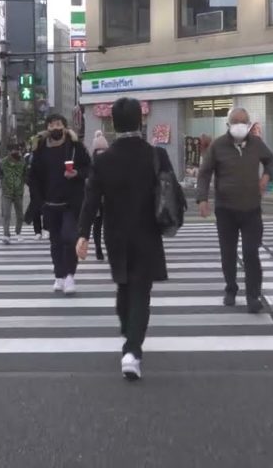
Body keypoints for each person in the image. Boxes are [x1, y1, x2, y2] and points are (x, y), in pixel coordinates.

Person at [76, 98, 171, 380]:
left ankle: (128, 331)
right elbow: (170, 191)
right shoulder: (156, 155)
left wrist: (83, 234)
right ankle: (132, 350)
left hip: (115, 232)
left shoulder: (103, 160)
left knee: (124, 284)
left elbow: (91, 199)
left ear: (114, 124)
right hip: (148, 231)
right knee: (141, 291)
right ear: (141, 121)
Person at [196, 107, 273, 313]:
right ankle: (231, 288)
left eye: (243, 121)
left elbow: (270, 160)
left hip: (251, 209)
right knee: (228, 253)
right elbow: (204, 173)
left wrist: (266, 176)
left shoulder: (256, 144)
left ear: (248, 124)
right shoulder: (218, 145)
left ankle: (253, 296)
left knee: (251, 252)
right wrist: (202, 199)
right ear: (228, 124)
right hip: (226, 209)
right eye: (235, 121)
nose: (239, 125)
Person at [27, 114, 91, 295]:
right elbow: (33, 176)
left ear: (64, 127)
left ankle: (70, 275)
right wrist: (38, 200)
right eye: (52, 125)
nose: (55, 128)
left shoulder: (75, 147)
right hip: (50, 203)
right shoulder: (40, 148)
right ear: (47, 128)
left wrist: (77, 173)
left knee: (69, 238)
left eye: (59, 124)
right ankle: (59, 276)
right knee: (55, 241)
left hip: (71, 202)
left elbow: (89, 168)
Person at [0, 144, 27, 245]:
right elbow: (0, 174)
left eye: (18, 150)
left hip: (18, 192)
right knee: (6, 214)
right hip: (7, 192)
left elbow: (25, 174)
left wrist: (21, 183)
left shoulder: (23, 161)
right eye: (14, 150)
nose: (17, 152)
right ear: (9, 152)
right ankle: (6, 235)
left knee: (20, 215)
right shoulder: (3, 162)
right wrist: (5, 183)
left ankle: (18, 232)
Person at [90, 131, 110, 261]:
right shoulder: (110, 160)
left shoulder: (92, 161)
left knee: (97, 225)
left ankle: (98, 249)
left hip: (96, 199)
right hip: (107, 198)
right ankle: (104, 247)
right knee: (106, 225)